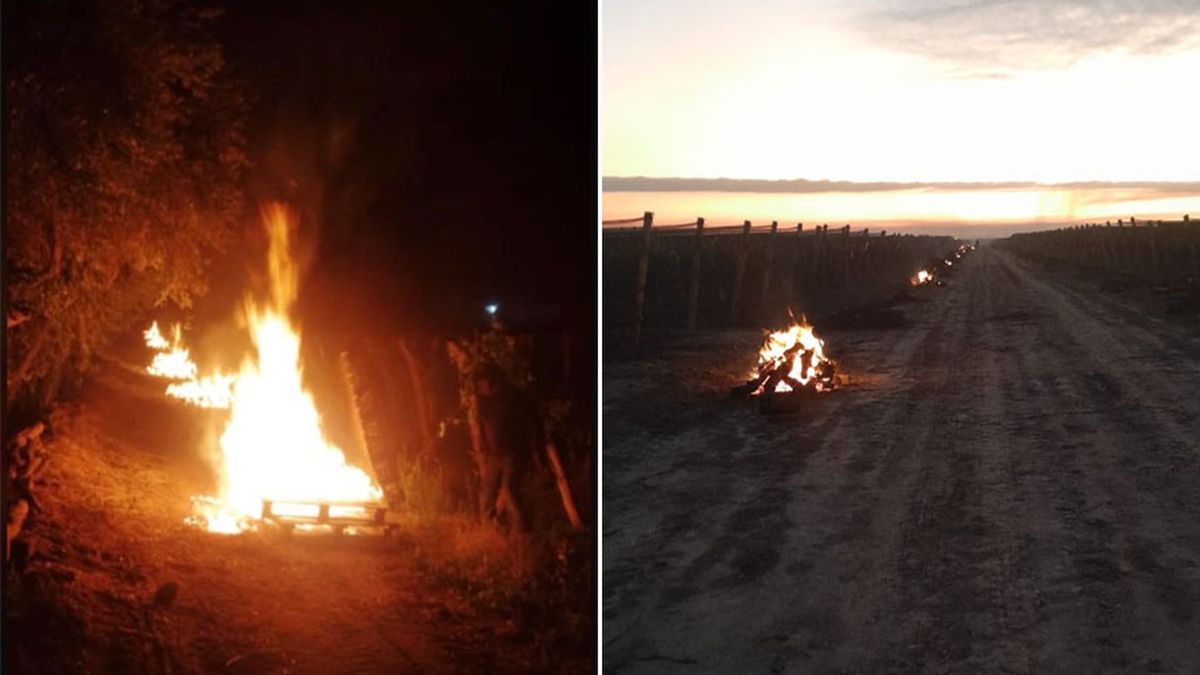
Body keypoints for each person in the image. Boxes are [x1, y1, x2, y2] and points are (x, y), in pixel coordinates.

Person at [474, 364, 540, 533]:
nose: (481, 387)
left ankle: (521, 534)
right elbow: (481, 423)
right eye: (479, 384)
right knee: (486, 493)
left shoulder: (510, 398)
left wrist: (534, 449)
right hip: (493, 456)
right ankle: (489, 531)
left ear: (492, 381)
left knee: (510, 492)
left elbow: (528, 422)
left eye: (483, 383)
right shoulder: (482, 402)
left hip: (513, 454)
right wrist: (481, 447)